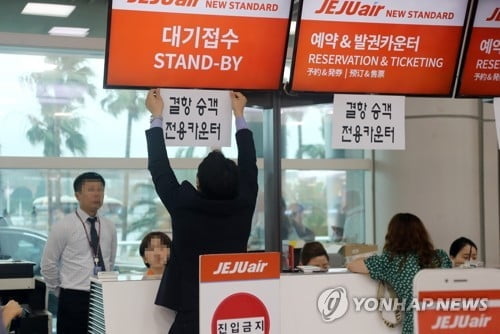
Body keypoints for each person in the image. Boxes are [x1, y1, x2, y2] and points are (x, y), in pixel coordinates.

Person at [145, 89, 258, 334]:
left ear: (198, 183)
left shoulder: (184, 206)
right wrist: (240, 115)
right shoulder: (243, 205)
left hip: (190, 316)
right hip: (232, 313)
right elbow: (250, 167)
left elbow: (159, 168)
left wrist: (157, 117)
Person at [347, 213, 452, 334]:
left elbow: (353, 265)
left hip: (415, 327)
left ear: (392, 236)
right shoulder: (441, 256)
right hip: (445, 323)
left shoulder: (391, 261)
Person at [41, 172, 117, 334]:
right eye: (91, 189)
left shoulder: (109, 226)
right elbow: (48, 264)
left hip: (103, 297)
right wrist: (60, 291)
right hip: (73, 297)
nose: (97, 194)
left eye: (100, 189)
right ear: (77, 195)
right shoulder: (63, 226)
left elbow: (111, 261)